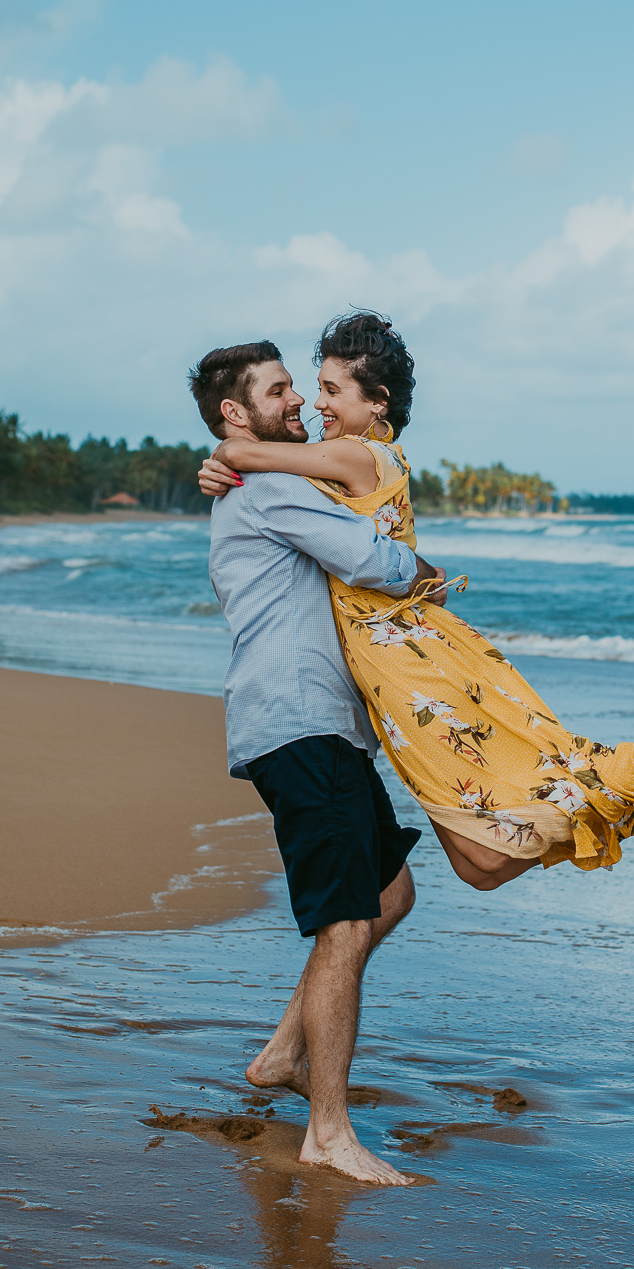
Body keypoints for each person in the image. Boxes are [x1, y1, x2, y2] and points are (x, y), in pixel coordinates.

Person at [198, 313, 634, 896]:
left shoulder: (359, 457)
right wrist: (225, 460)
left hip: (399, 654)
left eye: (330, 390)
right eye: (306, 389)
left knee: (490, 839)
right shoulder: (342, 462)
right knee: (478, 865)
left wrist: (223, 456)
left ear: (377, 402)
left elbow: (253, 459)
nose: (313, 402)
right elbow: (271, 476)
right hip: (387, 660)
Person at [188, 339, 450, 1188]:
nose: (297, 399)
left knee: (388, 893)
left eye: (302, 385)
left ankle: (280, 1053)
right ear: (236, 414)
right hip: (298, 726)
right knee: (344, 920)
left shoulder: (266, 476)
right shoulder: (267, 486)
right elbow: (370, 559)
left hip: (320, 728)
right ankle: (327, 1133)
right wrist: (425, 572)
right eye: (279, 390)